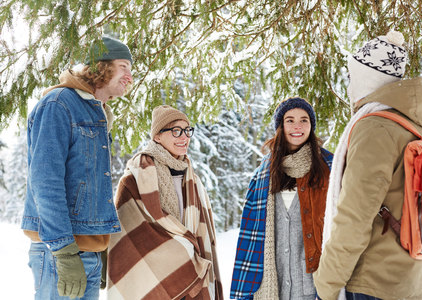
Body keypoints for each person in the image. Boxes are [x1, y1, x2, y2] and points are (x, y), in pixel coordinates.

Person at [313, 30, 422, 300]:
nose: (350, 86)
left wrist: (326, 285)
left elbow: (355, 215)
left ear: (368, 79)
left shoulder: (376, 127)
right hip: (407, 278)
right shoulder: (413, 125)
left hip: (372, 282)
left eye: (352, 77)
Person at [21, 36, 133, 300]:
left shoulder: (97, 111)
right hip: (59, 253)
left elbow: (90, 183)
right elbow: (45, 181)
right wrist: (64, 251)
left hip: (86, 251)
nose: (130, 76)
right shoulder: (59, 103)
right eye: (123, 66)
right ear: (101, 66)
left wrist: (99, 244)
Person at [106, 105, 223, 300]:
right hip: (152, 276)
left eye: (187, 131)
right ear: (157, 136)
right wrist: (182, 249)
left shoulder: (192, 179)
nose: (184, 137)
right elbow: (127, 235)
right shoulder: (135, 178)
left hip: (193, 275)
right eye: (176, 131)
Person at [230, 97, 333, 300]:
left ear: (311, 126)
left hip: (316, 287)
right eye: (290, 120)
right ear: (280, 126)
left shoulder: (329, 167)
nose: (298, 126)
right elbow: (251, 235)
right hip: (273, 286)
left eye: (304, 120)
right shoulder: (263, 175)